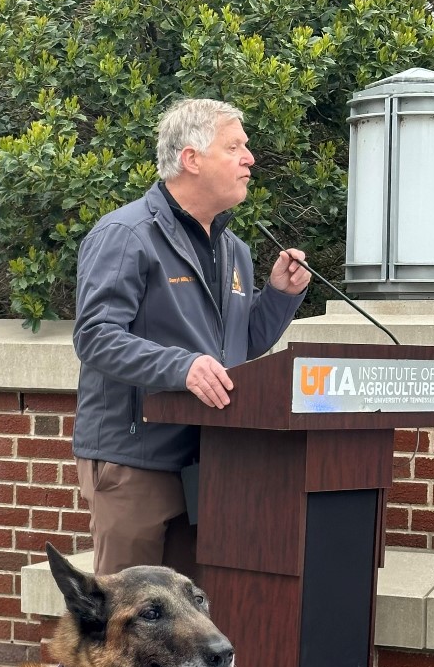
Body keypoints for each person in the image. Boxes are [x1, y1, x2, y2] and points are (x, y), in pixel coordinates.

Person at [70, 98, 313, 575]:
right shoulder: (126, 234)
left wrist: (280, 296)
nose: (250, 159)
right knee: (127, 624)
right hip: (136, 459)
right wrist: (182, 367)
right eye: (235, 146)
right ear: (191, 158)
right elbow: (96, 336)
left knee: (187, 631)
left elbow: (238, 350)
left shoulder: (235, 250)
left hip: (210, 464)